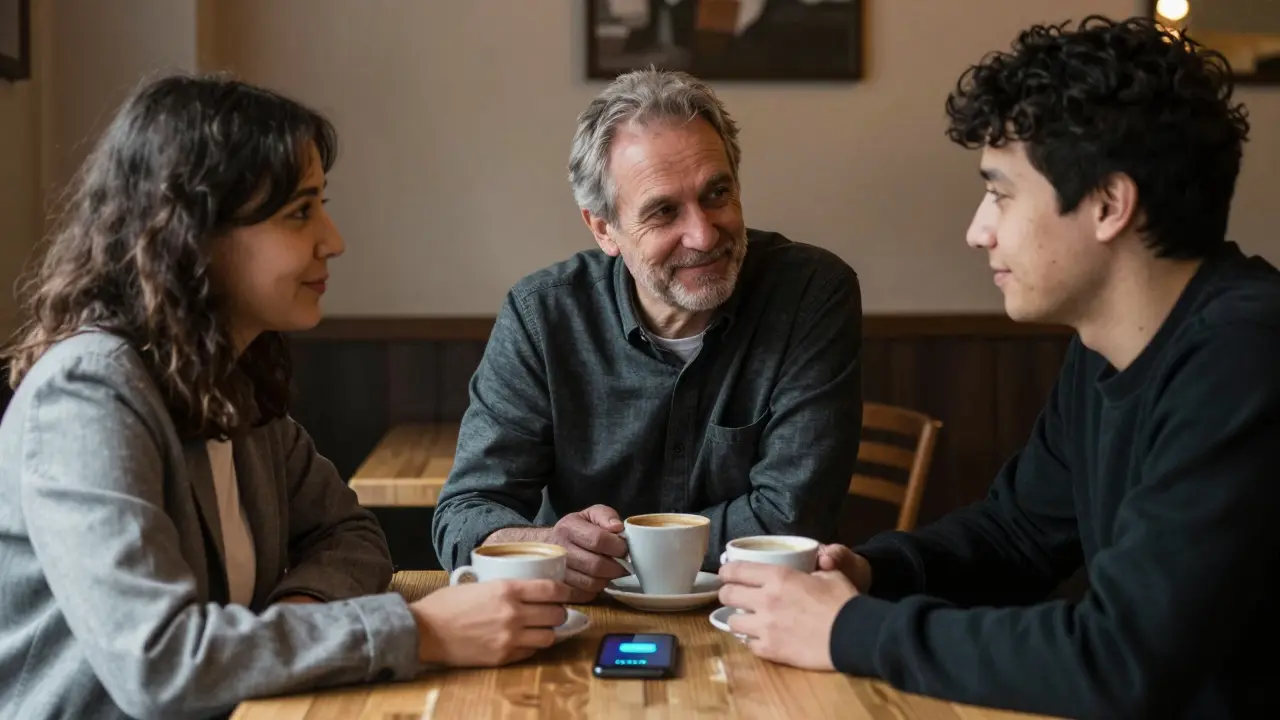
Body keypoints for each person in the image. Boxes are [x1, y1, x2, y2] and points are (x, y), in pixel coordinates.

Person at [717, 15, 1280, 719]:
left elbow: (1122, 657)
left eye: (1001, 193)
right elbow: (1016, 535)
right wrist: (870, 574)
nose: (978, 229)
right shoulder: (1109, 344)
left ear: (1108, 204)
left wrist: (846, 631)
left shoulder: (1246, 354)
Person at [0, 73, 571, 720]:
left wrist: (296, 622)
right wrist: (421, 631)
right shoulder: (86, 396)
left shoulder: (226, 381)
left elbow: (353, 535)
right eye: (300, 211)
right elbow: (158, 664)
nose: (333, 239)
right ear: (192, 232)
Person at [432, 68, 863, 602]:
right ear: (603, 229)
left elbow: (792, 517)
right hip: (579, 620)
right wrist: (546, 544)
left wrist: (608, 556)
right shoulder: (543, 315)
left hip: (760, 614)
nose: (703, 234)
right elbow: (466, 513)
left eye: (717, 193)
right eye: (663, 211)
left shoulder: (809, 295)